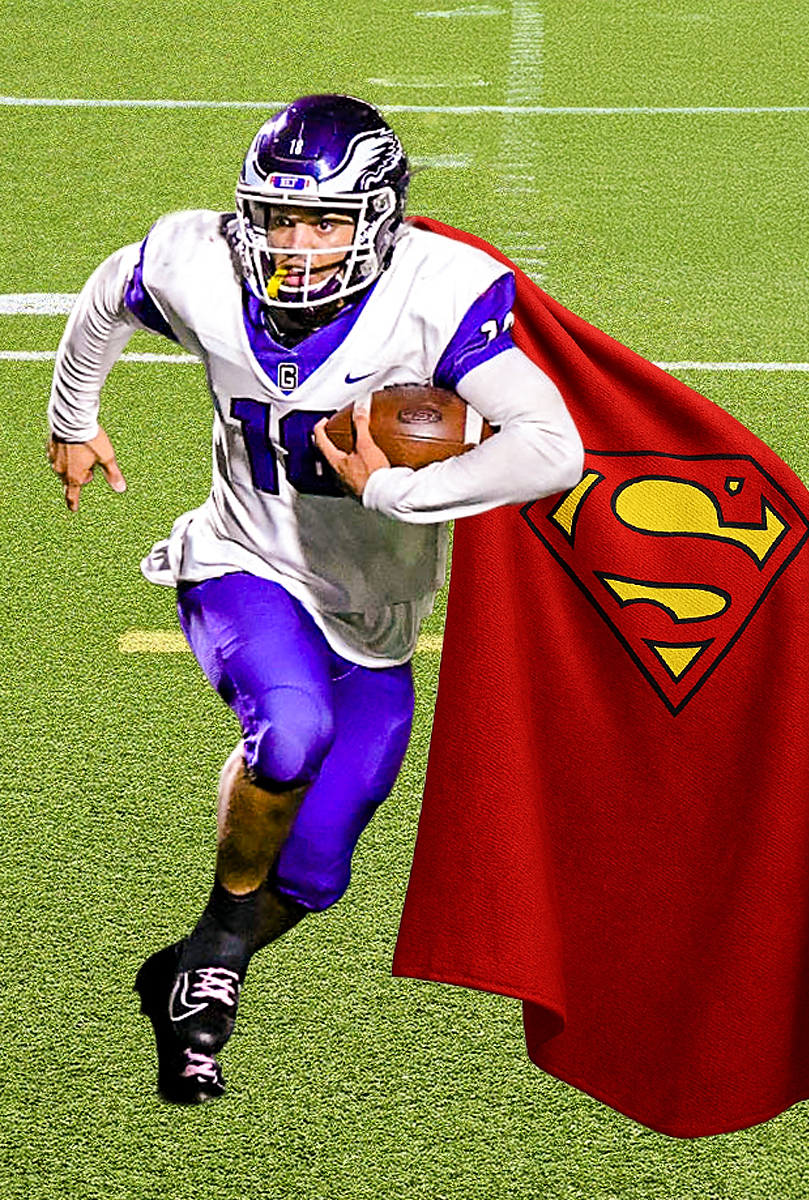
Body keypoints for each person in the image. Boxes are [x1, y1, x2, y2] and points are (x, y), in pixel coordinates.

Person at [46, 94, 583, 1105]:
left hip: (375, 618)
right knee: (290, 732)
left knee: (315, 874)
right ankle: (217, 957)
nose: (296, 246)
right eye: (279, 217)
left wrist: (395, 491)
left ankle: (190, 968)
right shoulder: (201, 263)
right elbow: (110, 290)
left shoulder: (436, 293)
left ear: (378, 219)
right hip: (241, 561)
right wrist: (73, 415)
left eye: (326, 221)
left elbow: (553, 448)